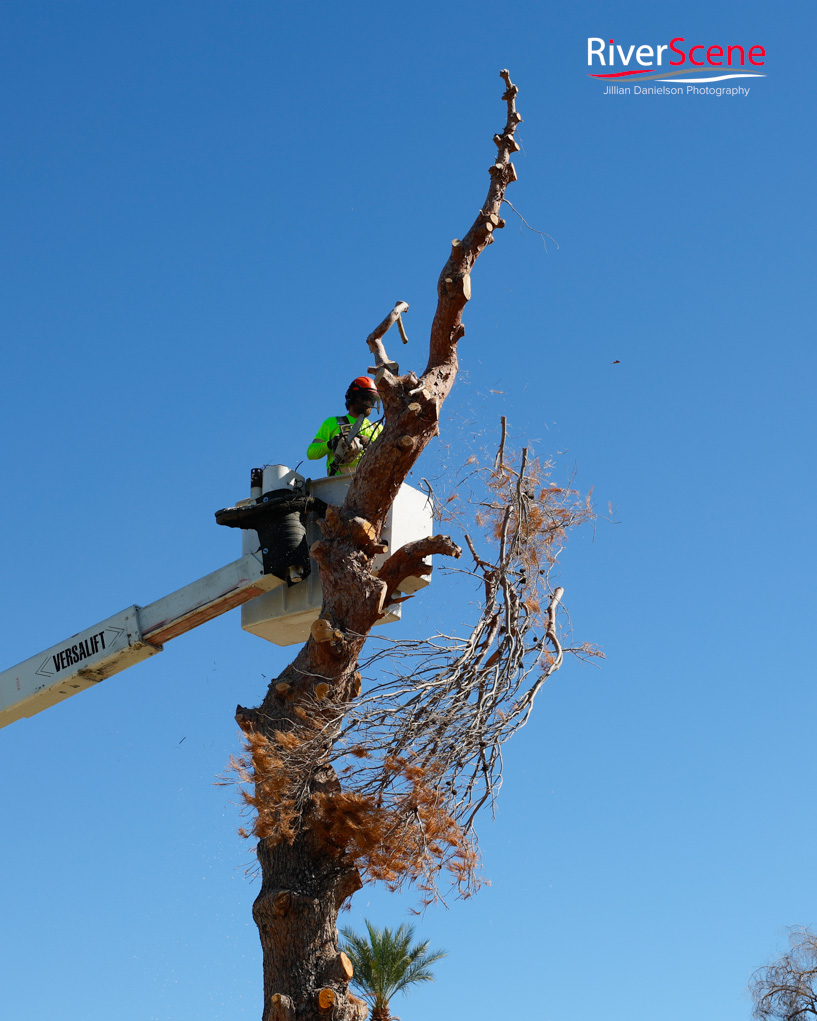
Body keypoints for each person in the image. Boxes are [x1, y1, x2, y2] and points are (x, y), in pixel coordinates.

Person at [307, 376, 383, 476]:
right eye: (365, 398)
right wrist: (331, 443)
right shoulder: (332, 423)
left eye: (372, 400)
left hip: (370, 482)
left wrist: (372, 446)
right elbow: (311, 453)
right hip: (338, 484)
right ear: (352, 397)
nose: (369, 403)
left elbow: (390, 457)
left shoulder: (377, 429)